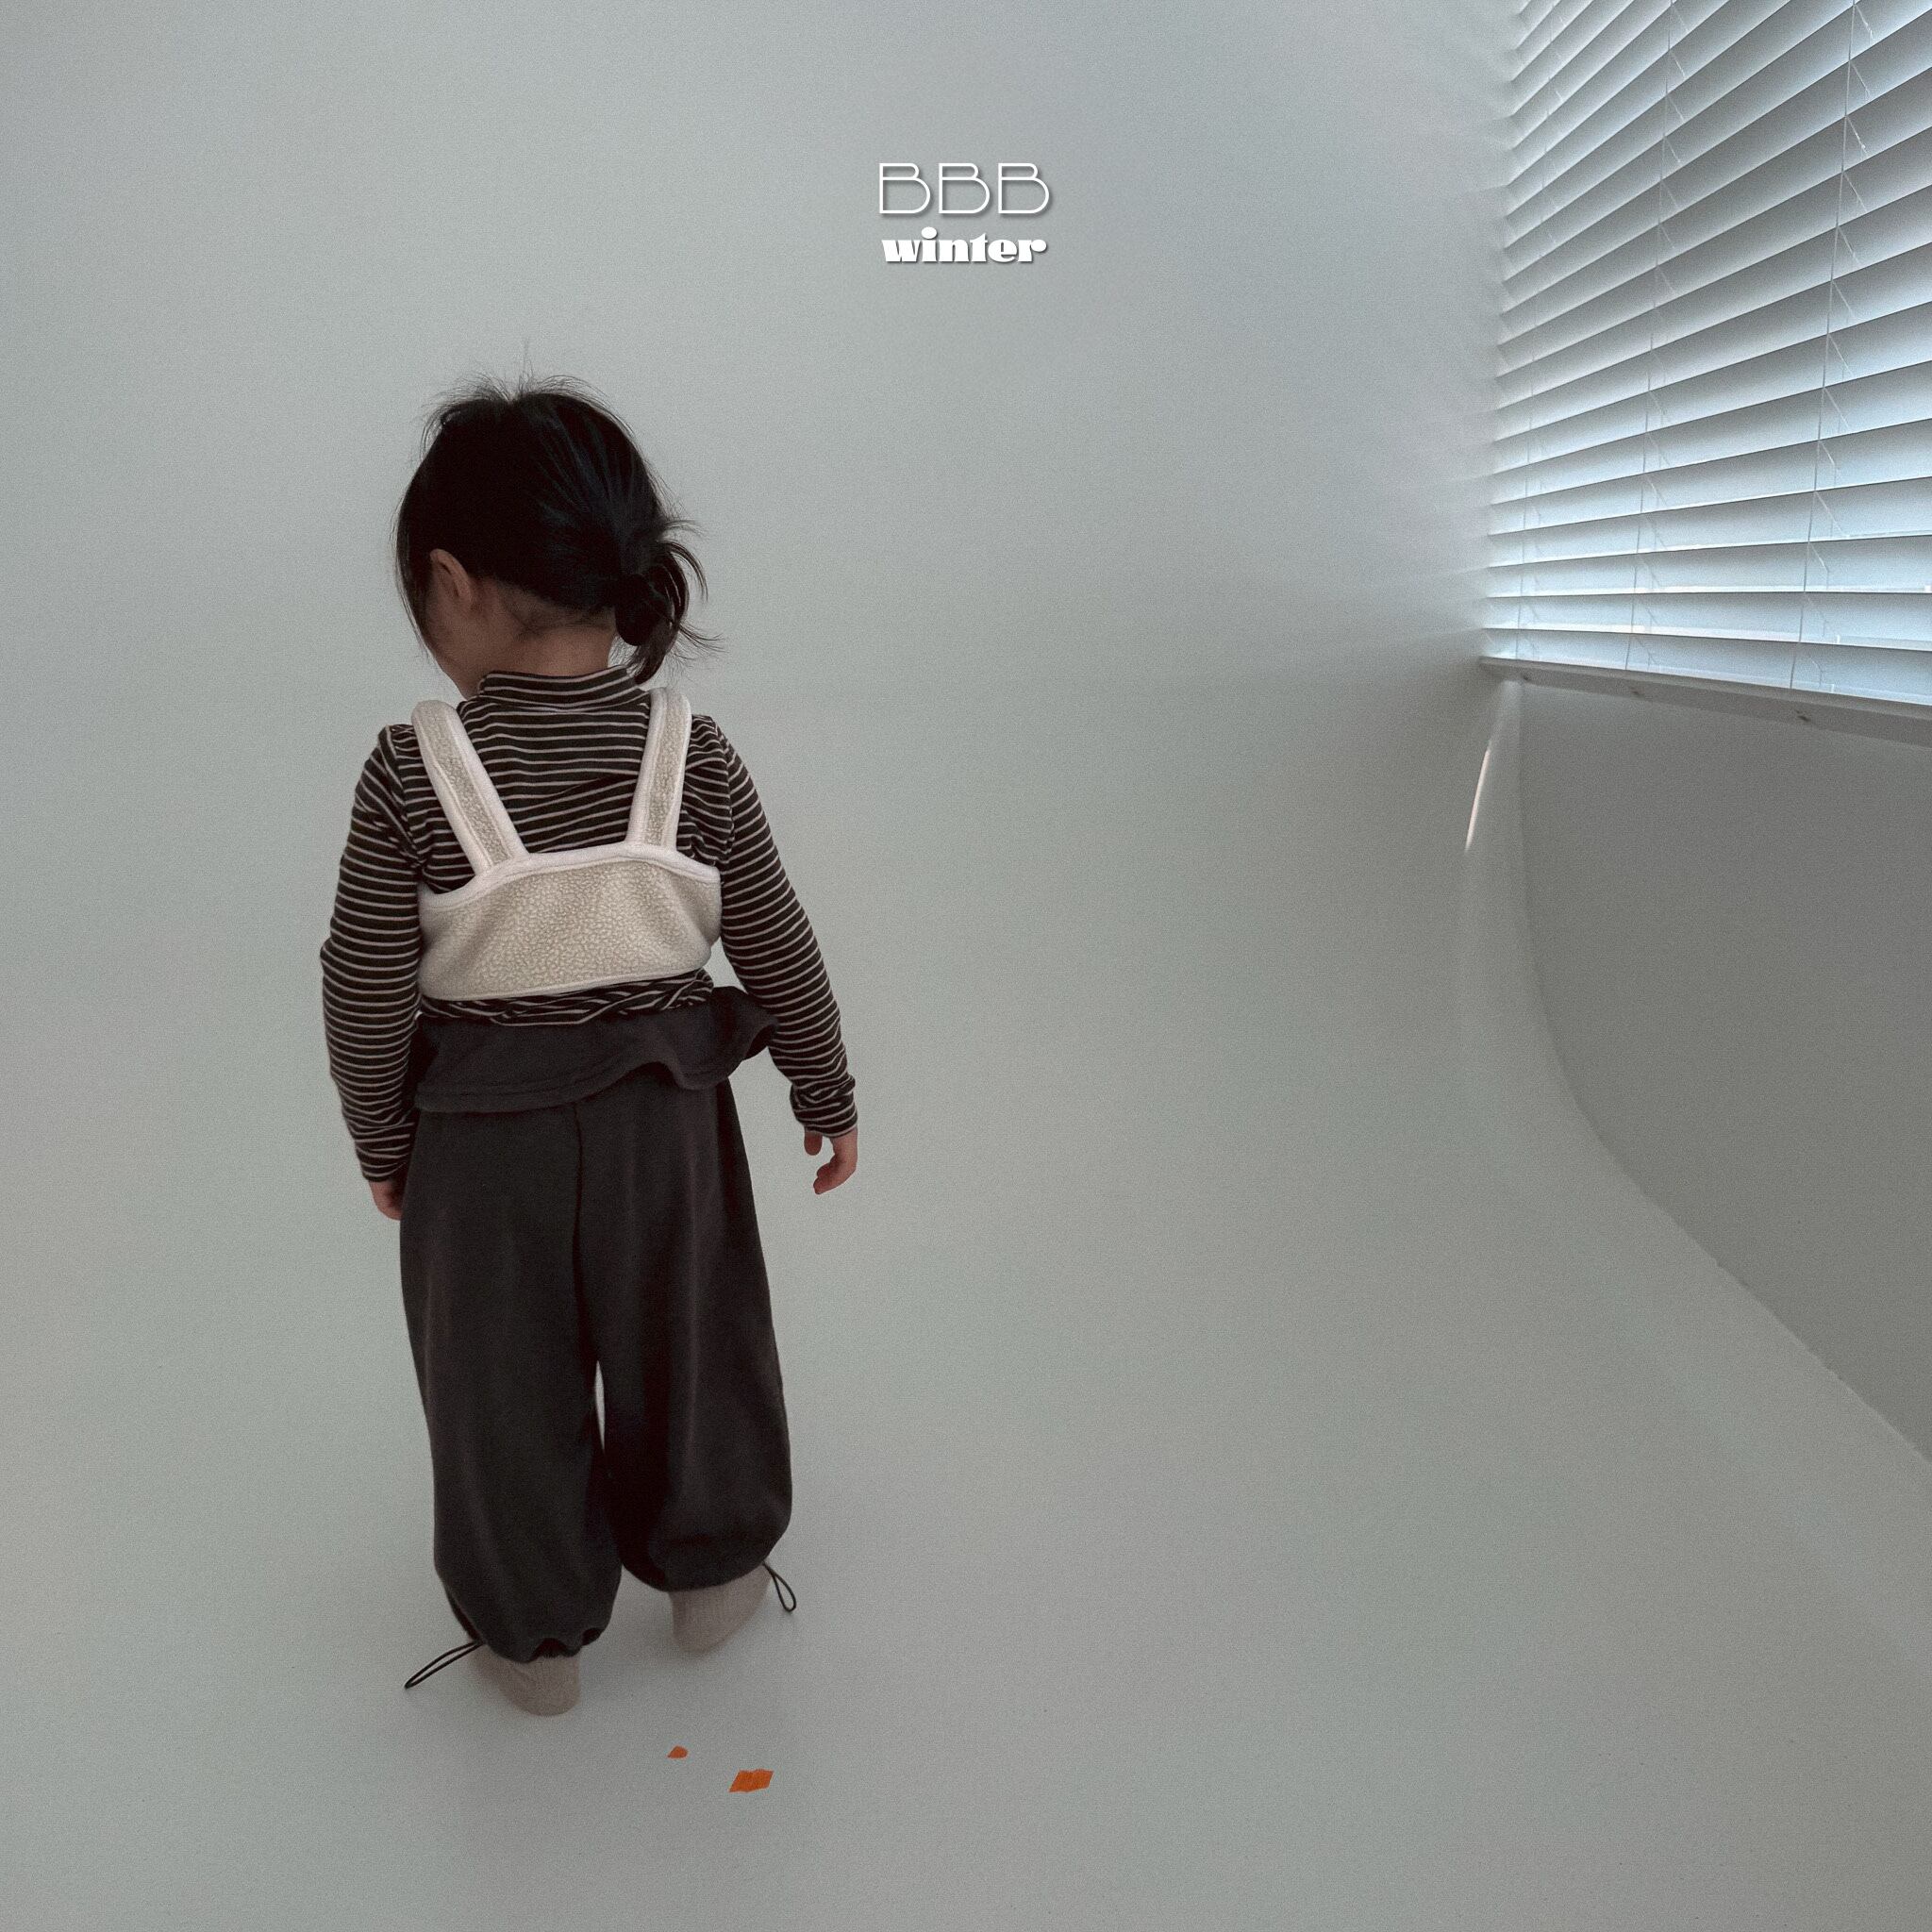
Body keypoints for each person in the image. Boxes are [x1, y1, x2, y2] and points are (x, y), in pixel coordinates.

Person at [319, 374, 858, 1716]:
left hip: (479, 1151)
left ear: (451, 583)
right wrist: (823, 1085)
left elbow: (364, 986)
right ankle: (713, 1570)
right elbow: (777, 938)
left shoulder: (410, 771)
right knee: (695, 1346)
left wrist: (383, 1138)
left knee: (496, 1389)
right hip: (666, 1129)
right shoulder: (692, 751)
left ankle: (532, 1636)